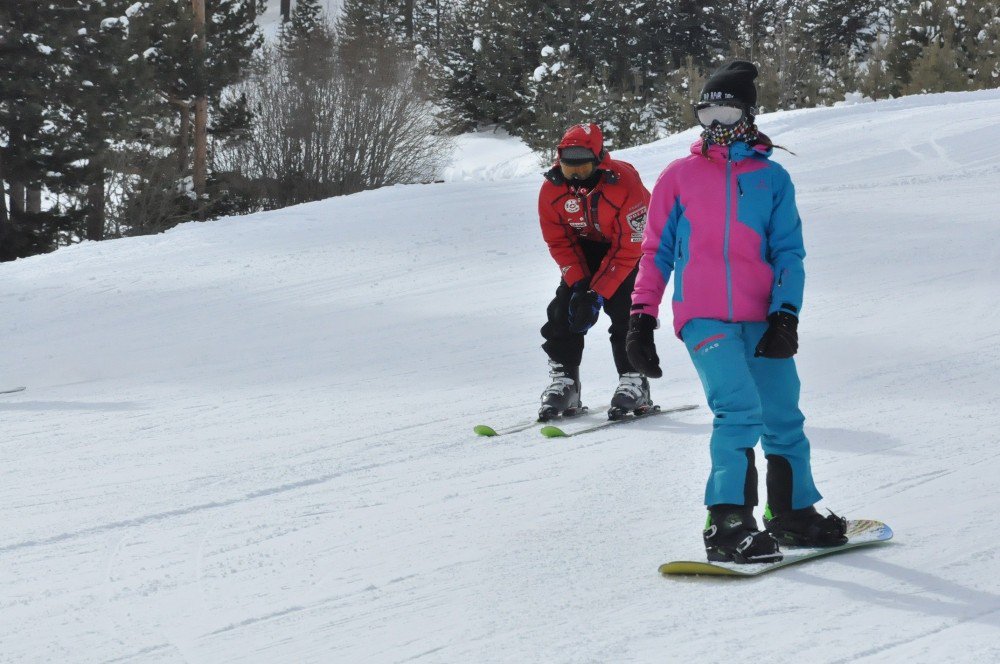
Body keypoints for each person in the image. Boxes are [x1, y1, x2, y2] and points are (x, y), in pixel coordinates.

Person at [626, 61, 847, 564]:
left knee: (784, 417)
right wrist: (642, 314)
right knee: (737, 410)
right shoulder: (679, 177)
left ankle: (792, 514)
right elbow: (655, 250)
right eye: (707, 110)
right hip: (703, 316)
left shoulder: (772, 178)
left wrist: (786, 315)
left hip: (763, 317)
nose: (716, 121)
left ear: (748, 113)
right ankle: (727, 522)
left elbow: (789, 253)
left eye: (726, 108)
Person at [538, 123, 653, 421]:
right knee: (565, 308)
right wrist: (579, 286)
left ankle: (634, 379)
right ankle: (566, 382)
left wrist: (598, 293)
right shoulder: (552, 189)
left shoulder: (625, 183)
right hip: (584, 247)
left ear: (599, 160)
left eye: (583, 168)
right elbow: (559, 241)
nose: (575, 176)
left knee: (624, 306)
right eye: (568, 168)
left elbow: (631, 246)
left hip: (628, 247)